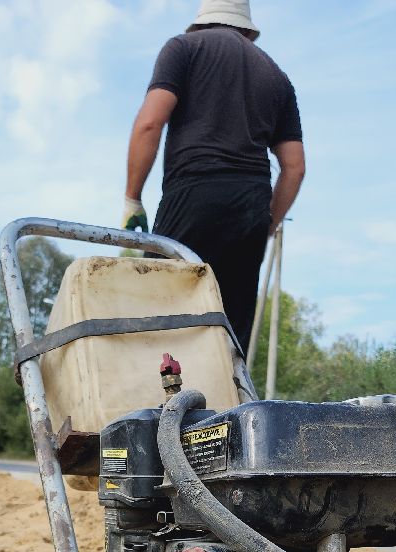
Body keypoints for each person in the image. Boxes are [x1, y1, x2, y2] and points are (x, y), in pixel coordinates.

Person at [123, 0, 305, 351]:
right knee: (228, 338)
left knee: (157, 319)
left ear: (202, 22)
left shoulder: (183, 48)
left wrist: (132, 198)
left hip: (194, 194)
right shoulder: (277, 76)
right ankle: (229, 404)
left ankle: (160, 402)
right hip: (252, 206)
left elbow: (149, 123)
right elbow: (295, 167)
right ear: (248, 30)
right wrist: (266, 224)